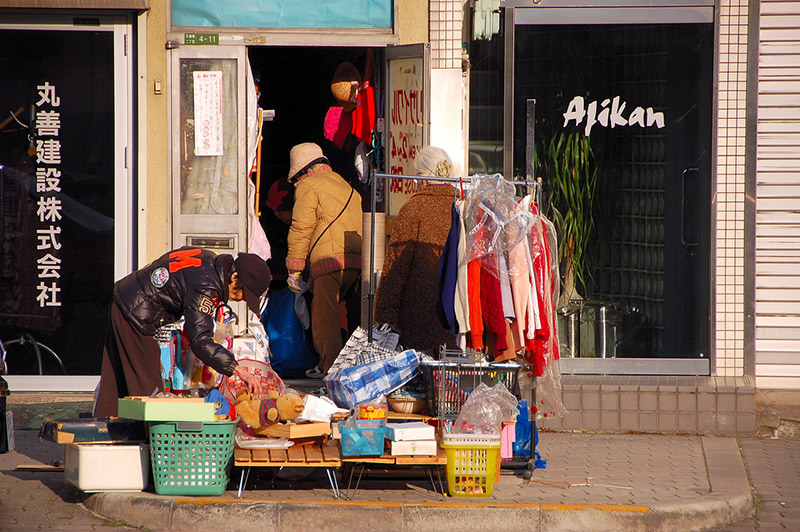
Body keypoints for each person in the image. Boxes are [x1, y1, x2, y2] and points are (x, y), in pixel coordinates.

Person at [94, 248, 269, 417]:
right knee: (149, 390)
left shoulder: (208, 260)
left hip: (126, 299)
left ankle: (105, 427)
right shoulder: (207, 287)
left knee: (116, 379)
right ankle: (153, 439)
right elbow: (201, 342)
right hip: (136, 313)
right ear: (234, 276)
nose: (240, 299)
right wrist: (240, 371)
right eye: (243, 293)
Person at [284, 142, 362, 377]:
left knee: (323, 320)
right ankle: (351, 367)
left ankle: (332, 372)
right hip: (356, 261)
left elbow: (301, 228)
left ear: (302, 171)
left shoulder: (309, 186)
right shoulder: (348, 186)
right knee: (354, 319)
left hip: (327, 261)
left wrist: (294, 268)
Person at [374, 146, 458, 354]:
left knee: (422, 376)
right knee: (451, 379)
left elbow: (396, 266)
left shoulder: (414, 208)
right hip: (457, 314)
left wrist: (384, 314)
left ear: (422, 177)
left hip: (417, 313)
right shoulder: (462, 205)